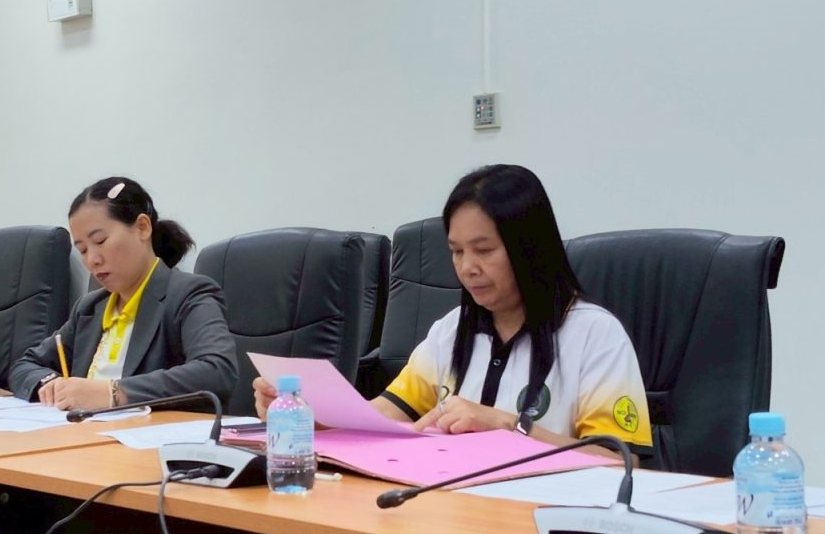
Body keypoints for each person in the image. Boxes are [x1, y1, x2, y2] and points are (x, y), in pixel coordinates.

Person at [254, 164, 652, 455]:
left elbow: (617, 461)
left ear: (530, 249)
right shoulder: (451, 330)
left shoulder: (594, 335)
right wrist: (313, 415)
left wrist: (510, 426)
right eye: (456, 251)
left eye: (483, 250)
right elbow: (385, 416)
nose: (467, 267)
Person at [9, 176, 238, 411]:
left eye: (100, 241)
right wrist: (51, 383)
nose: (92, 260)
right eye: (83, 250)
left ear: (142, 227)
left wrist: (114, 393)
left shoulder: (188, 294)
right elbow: (25, 365)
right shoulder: (90, 308)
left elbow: (217, 371)